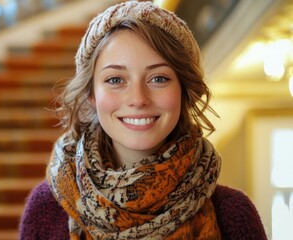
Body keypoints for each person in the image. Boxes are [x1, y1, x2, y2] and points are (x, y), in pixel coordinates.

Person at [19, 1, 267, 239]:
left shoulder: (233, 213)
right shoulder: (47, 208)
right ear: (91, 94)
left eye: (158, 78)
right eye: (115, 79)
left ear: (184, 90)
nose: (138, 99)